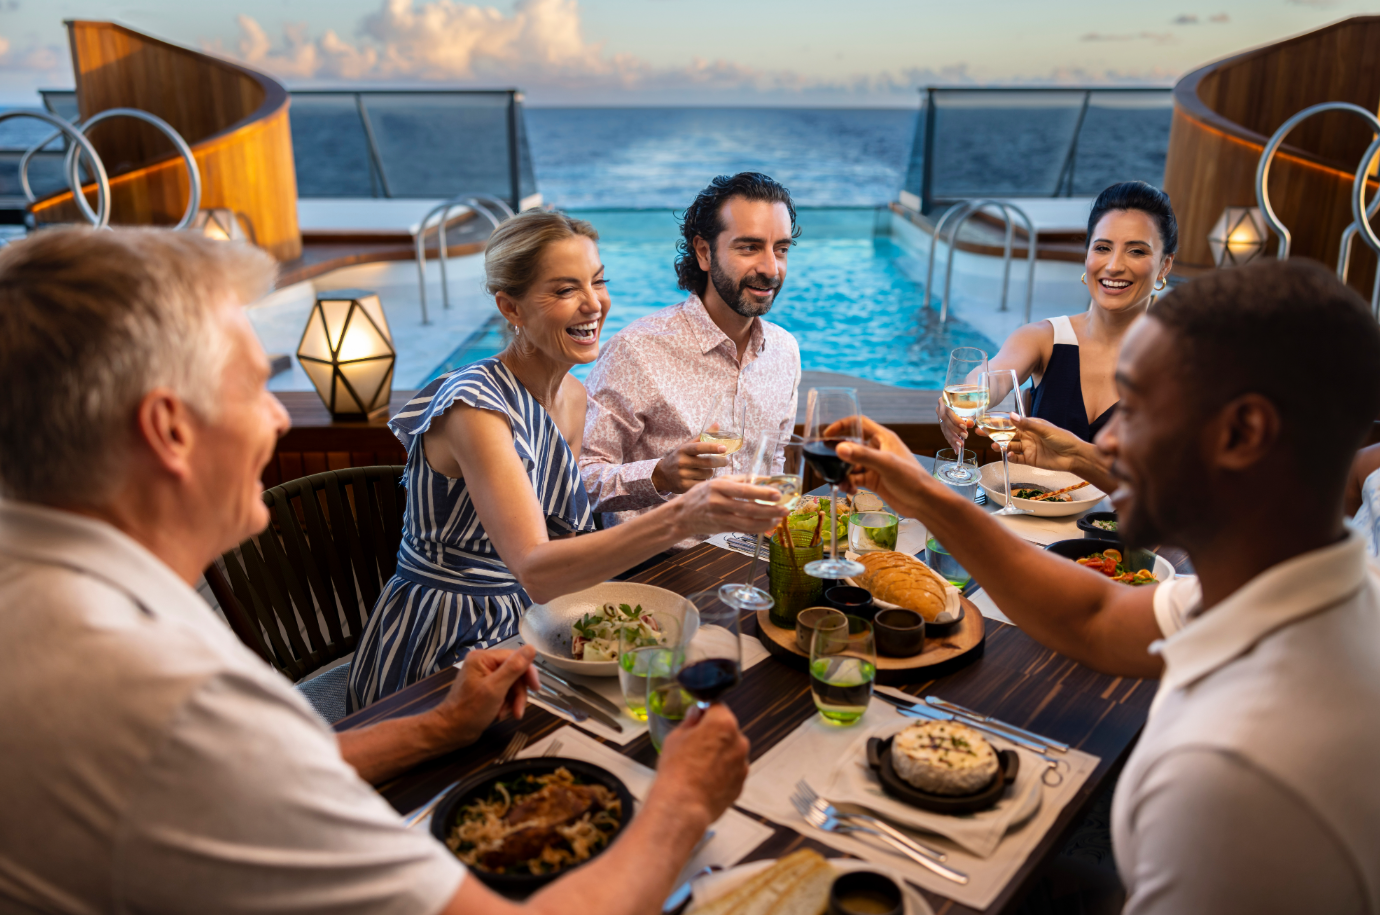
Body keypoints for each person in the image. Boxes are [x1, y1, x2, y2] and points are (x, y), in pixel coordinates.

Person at [0, 226, 752, 915]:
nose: (278, 417)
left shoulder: (50, 596)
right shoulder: (176, 698)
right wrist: (683, 803)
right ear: (169, 428)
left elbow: (273, 766)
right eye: (254, 386)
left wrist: (437, 726)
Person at [838, 259, 1380, 913]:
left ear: (1244, 432)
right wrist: (928, 497)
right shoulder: (1315, 588)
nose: (1109, 441)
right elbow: (1095, 615)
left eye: (1140, 407)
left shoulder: (1236, 773)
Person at [348, 210, 788, 710]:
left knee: (683, 691)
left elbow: (562, 544)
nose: (593, 304)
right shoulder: (475, 408)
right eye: (564, 290)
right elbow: (536, 569)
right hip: (446, 637)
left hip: (535, 618)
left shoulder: (574, 398)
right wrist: (684, 515)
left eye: (597, 281)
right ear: (510, 307)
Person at [580, 172, 802, 540]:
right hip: (660, 563)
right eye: (749, 248)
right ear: (704, 252)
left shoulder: (784, 351)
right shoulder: (637, 349)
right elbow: (580, 478)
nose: (770, 268)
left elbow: (775, 462)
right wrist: (658, 476)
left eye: (780, 249)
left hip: (753, 554)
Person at [939, 181, 1178, 459]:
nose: (1114, 266)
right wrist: (963, 398)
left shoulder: (1181, 363)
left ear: (1165, 265)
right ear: (1087, 254)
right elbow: (992, 378)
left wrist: (1078, 456)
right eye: (1102, 248)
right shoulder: (1043, 338)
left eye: (1136, 251)